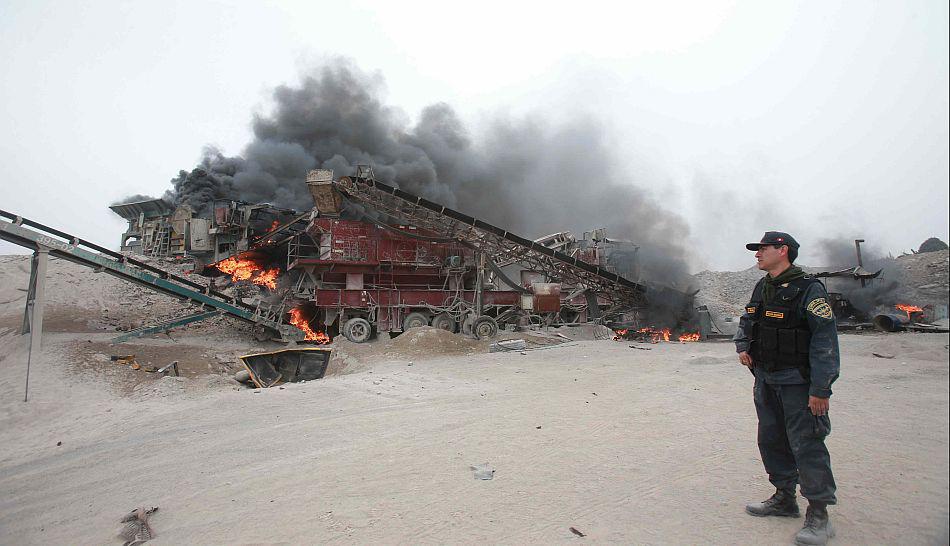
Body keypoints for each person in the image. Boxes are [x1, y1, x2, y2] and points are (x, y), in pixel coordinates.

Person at [734, 231, 840, 546]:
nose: (757, 254)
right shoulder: (762, 287)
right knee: (771, 439)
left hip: (797, 382)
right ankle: (784, 497)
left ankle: (819, 515)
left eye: (762, 249)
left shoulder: (810, 290)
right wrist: (743, 344)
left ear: (782, 251)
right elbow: (748, 319)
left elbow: (825, 341)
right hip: (765, 379)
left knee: (807, 444)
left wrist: (821, 389)